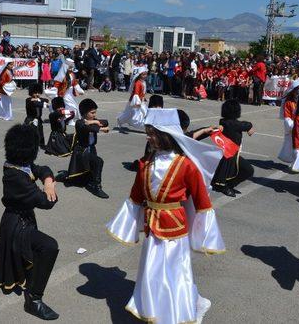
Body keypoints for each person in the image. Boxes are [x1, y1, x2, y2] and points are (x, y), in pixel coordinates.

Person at [106, 108, 225, 324]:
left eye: (151, 133)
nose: (148, 137)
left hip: (175, 228)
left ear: (165, 134)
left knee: (176, 273)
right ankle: (155, 308)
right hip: (152, 225)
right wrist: (124, 225)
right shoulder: (145, 163)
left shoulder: (187, 165)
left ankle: (183, 309)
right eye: (148, 132)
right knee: (152, 271)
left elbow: (202, 201)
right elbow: (135, 196)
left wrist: (206, 236)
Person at [0, 124, 60, 320]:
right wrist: (50, 191)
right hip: (16, 224)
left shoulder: (19, 164)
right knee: (49, 246)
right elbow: (45, 202)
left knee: (20, 253)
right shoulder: (14, 175)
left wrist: (48, 181)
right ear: (27, 151)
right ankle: (33, 299)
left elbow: (42, 168)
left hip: (22, 218)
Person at [64, 99, 110, 199]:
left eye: (95, 112)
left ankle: (89, 180)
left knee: (91, 168)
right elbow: (89, 128)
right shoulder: (79, 123)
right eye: (92, 113)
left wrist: (94, 121)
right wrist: (99, 126)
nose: (94, 114)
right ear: (84, 113)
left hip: (91, 149)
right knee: (98, 161)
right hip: (82, 151)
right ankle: (97, 186)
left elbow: (106, 122)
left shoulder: (92, 121)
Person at [210, 100, 255, 197]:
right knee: (248, 170)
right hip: (229, 154)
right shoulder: (233, 124)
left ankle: (224, 185)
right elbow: (245, 124)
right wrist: (250, 127)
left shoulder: (224, 121)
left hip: (229, 152)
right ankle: (227, 186)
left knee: (237, 170)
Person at [50, 58, 83, 126]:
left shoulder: (72, 74)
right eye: (70, 66)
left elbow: (74, 83)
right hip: (64, 93)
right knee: (72, 106)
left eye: (72, 66)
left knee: (70, 106)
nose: (72, 67)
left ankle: (67, 119)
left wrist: (79, 89)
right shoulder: (62, 74)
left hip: (70, 93)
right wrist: (53, 92)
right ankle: (69, 120)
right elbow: (56, 84)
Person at [277, 81, 299, 163]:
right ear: (293, 91)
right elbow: (287, 117)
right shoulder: (289, 103)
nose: (298, 93)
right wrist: (293, 126)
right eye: (296, 91)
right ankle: (296, 162)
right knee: (294, 146)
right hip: (294, 128)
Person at [116, 66, 148, 131]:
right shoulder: (138, 83)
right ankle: (120, 121)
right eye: (143, 74)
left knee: (144, 113)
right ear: (140, 75)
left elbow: (142, 92)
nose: (145, 76)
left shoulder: (143, 82)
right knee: (131, 114)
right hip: (135, 102)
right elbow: (136, 93)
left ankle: (146, 126)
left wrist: (144, 98)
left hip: (140, 101)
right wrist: (137, 102)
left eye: (146, 74)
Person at [25, 84, 49, 148]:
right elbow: (35, 104)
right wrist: (39, 102)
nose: (37, 94)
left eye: (38, 93)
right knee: (31, 133)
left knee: (40, 131)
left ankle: (41, 144)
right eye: (35, 93)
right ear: (32, 93)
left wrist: (40, 100)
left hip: (38, 119)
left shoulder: (39, 99)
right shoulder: (28, 100)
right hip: (31, 119)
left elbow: (46, 100)